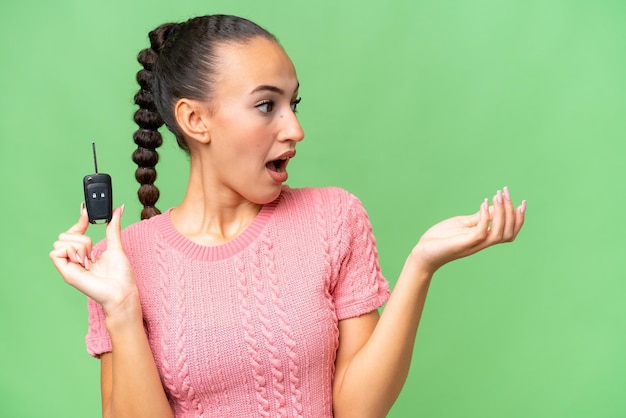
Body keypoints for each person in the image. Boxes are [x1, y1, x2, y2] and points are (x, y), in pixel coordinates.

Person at [50, 14, 526, 418]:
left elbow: (359, 410)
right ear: (196, 120)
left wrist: (421, 265)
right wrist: (122, 311)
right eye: (266, 105)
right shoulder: (123, 260)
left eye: (292, 104)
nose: (295, 129)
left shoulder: (335, 217)